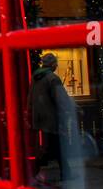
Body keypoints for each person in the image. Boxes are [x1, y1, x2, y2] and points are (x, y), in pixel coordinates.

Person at [28, 53, 75, 181]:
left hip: (39, 117)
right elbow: (61, 99)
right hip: (51, 118)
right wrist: (72, 109)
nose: (56, 65)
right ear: (53, 65)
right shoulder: (53, 78)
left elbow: (30, 97)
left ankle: (66, 172)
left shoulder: (36, 77)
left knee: (52, 145)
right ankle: (63, 173)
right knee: (54, 146)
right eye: (56, 63)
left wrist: (30, 113)